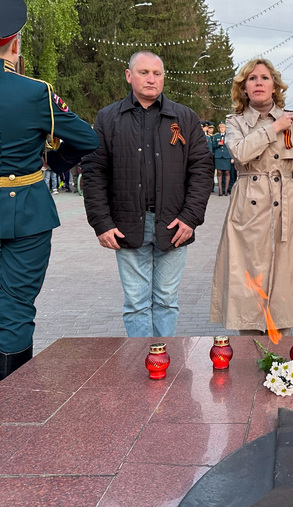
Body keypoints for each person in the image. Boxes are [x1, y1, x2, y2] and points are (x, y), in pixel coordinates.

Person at [82, 50, 214, 338]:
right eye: (144, 72)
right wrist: (101, 223)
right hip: (127, 224)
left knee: (167, 301)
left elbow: (202, 170)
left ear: (164, 77)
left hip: (174, 224)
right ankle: (141, 368)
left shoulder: (184, 118)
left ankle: (162, 362)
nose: (151, 79)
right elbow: (93, 173)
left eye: (157, 73)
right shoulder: (108, 118)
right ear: (130, 76)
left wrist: (190, 218)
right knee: (136, 304)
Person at [0, 0, 99, 379]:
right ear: (14, 44)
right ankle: (13, 401)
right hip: (25, 211)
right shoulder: (34, 92)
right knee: (16, 307)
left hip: (26, 212)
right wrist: (55, 162)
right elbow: (87, 139)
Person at [210, 58, 293, 335]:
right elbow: (239, 152)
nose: (258, 83)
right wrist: (273, 128)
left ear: (275, 86)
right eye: (252, 79)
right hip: (248, 211)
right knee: (248, 289)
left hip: (285, 210)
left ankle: (281, 363)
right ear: (243, 88)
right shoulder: (235, 122)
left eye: (264, 78)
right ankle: (249, 354)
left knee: (283, 290)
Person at [213, 122, 234, 196]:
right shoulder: (216, 136)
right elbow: (213, 146)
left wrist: (232, 157)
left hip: (226, 156)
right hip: (218, 156)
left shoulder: (229, 136)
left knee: (227, 172)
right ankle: (220, 191)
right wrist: (218, 144)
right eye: (221, 128)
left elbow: (231, 147)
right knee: (219, 172)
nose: (222, 129)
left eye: (223, 128)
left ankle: (226, 191)